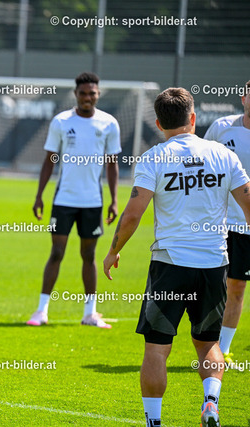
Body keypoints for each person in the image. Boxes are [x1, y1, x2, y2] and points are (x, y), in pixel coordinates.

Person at [103, 87, 250, 427]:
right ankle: (210, 402)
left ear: (158, 123)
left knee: (157, 348)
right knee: (208, 343)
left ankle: (154, 422)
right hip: (214, 264)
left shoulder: (153, 158)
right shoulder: (222, 154)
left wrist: (113, 251)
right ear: (193, 118)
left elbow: (133, 214)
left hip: (169, 265)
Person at [27, 72, 121, 328]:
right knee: (57, 252)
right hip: (64, 200)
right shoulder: (61, 121)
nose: (87, 98)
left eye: (92, 93)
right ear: (75, 94)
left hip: (92, 201)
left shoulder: (109, 124)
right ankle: (41, 311)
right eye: (83, 93)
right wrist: (39, 196)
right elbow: (50, 160)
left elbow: (112, 164)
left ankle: (90, 314)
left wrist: (114, 200)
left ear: (98, 94)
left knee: (89, 255)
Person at [203, 80, 250, 369]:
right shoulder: (222, 128)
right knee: (210, 284)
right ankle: (204, 342)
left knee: (237, 287)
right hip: (215, 223)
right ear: (244, 98)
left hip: (246, 225)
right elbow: (200, 161)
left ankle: (224, 349)